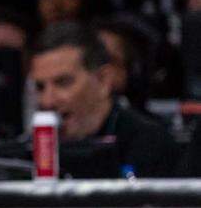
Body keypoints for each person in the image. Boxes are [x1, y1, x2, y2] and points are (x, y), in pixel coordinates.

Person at [29, 22, 175, 178]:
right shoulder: (29, 151)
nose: (47, 101)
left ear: (103, 80)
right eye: (40, 87)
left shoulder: (149, 145)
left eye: (63, 83)